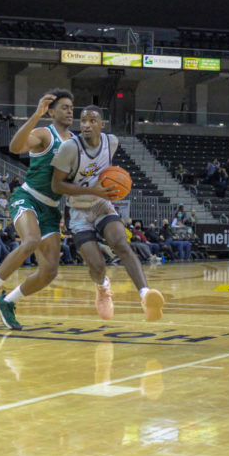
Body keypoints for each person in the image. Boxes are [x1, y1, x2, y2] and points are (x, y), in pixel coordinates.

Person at [0, 90, 76, 329]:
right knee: (30, 240)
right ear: (51, 111)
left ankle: (6, 302)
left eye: (71, 107)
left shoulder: (75, 142)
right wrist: (36, 115)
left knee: (49, 272)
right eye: (64, 107)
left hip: (51, 208)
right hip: (27, 198)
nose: (70, 111)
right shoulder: (43, 134)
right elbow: (16, 147)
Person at [51, 105, 164, 323]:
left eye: (92, 121)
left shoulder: (111, 142)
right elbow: (57, 186)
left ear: (101, 125)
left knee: (121, 243)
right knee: (97, 265)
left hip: (102, 203)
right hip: (78, 209)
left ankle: (145, 295)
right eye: (83, 121)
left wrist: (110, 186)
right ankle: (102, 288)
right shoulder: (69, 148)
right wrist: (92, 189)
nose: (86, 125)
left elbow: (106, 170)